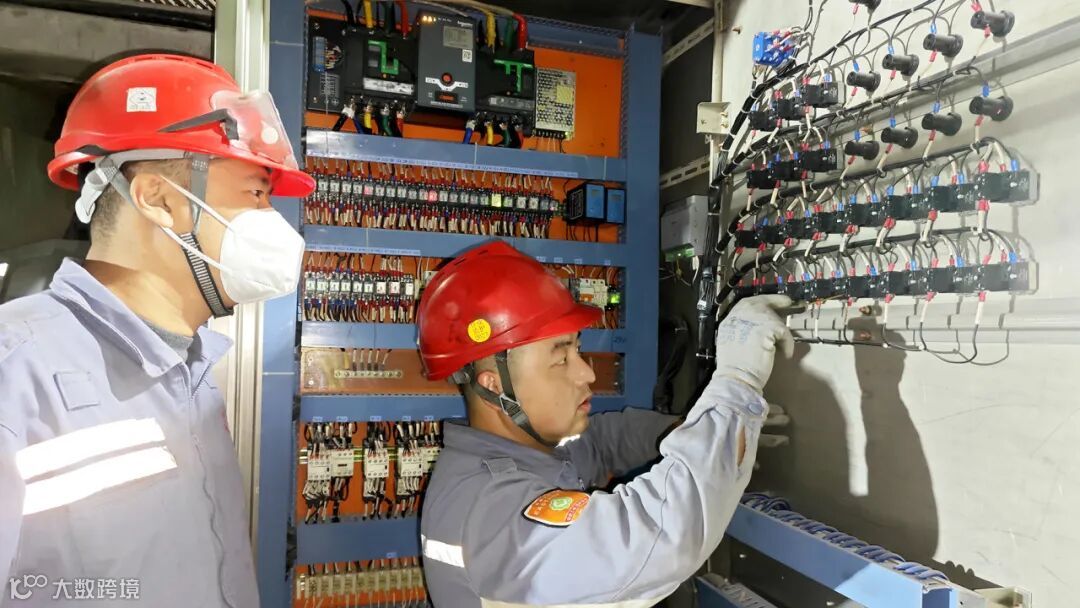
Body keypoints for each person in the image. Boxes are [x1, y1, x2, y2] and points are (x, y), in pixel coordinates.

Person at [0, 54, 314, 606]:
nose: (274, 222)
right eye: (256, 194)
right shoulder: (16, 372)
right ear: (159, 200)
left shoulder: (191, 373)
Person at [415, 240, 794, 607]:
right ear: (495, 386)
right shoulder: (490, 512)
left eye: (577, 350)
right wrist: (737, 386)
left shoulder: (515, 454)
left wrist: (702, 429)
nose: (587, 374)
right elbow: (661, 538)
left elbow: (601, 441)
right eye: (560, 359)